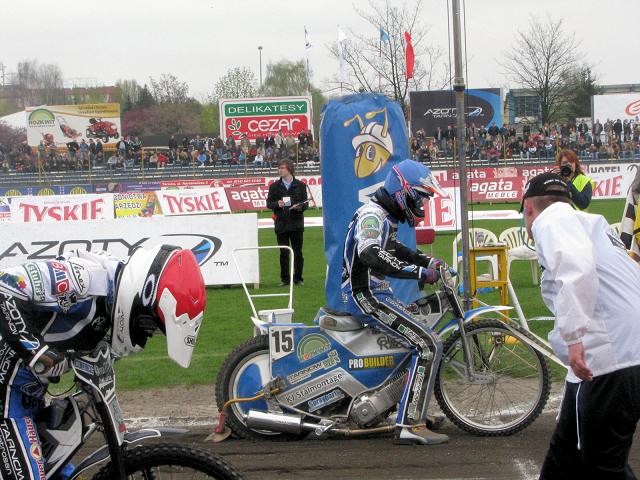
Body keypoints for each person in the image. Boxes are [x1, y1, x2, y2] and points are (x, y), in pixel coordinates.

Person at [0, 245, 206, 479]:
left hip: (24, 394)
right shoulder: (83, 279)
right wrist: (37, 352)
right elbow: (6, 285)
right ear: (143, 295)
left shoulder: (110, 297)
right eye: (148, 324)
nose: (146, 334)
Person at [520, 172, 640, 479]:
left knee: (603, 467)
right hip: (615, 356)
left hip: (611, 357)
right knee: (565, 455)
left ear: (528, 207)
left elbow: (576, 270)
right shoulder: (589, 224)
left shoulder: (552, 219)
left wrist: (573, 340)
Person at [342, 159, 448, 446]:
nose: (422, 204)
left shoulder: (385, 216)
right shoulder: (372, 215)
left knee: (418, 339)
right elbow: (370, 253)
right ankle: (410, 425)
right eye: (420, 198)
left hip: (377, 293)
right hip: (365, 295)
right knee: (428, 344)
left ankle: (404, 408)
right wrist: (419, 272)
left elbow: (394, 249)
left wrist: (427, 261)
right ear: (403, 192)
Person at [266, 159, 308, 287]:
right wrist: (276, 204)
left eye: (282, 168)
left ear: (289, 169)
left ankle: (298, 278)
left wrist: (299, 207)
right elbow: (269, 203)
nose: (280, 170)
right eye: (279, 168)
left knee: (298, 252)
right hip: (281, 223)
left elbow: (305, 204)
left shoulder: (300, 185)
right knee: (284, 252)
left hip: (296, 223)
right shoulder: (274, 186)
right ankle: (285, 279)